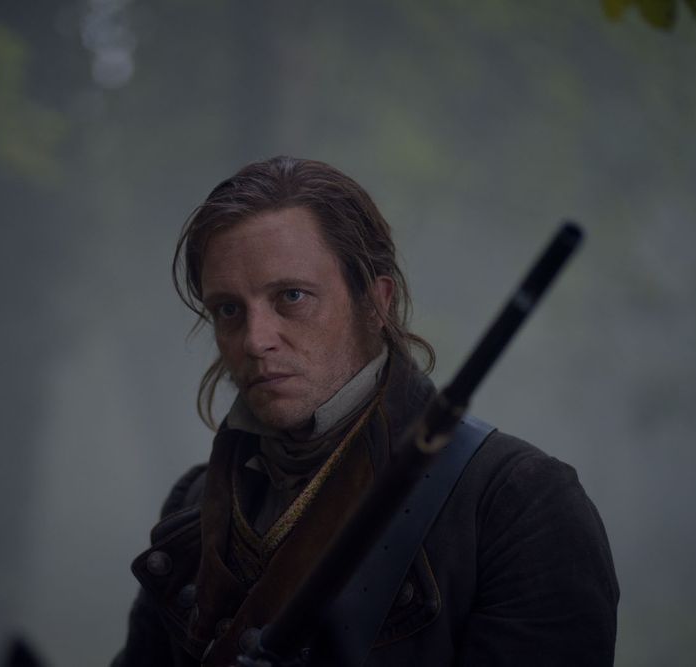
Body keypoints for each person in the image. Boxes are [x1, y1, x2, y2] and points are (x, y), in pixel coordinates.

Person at [112, 156, 619, 666]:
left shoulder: (519, 505)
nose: (255, 339)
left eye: (292, 296)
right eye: (229, 309)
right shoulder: (195, 505)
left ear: (376, 303)